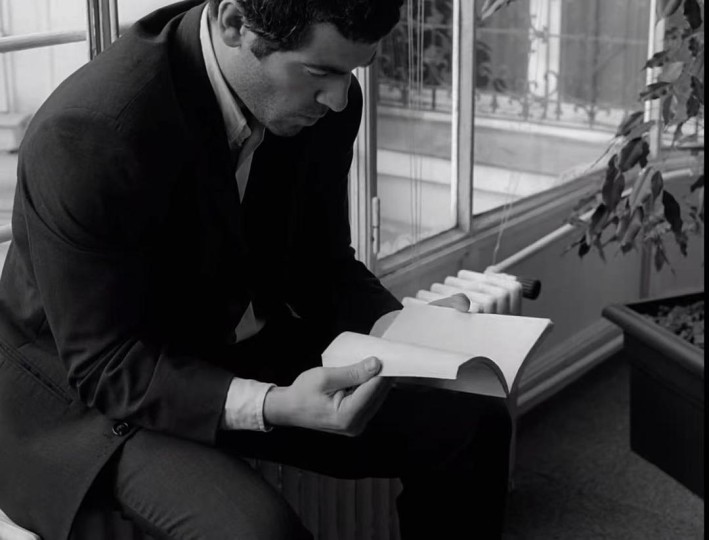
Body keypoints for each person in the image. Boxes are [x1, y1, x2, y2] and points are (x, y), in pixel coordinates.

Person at [0, 0, 512, 538]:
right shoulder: (90, 132)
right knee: (260, 533)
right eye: (320, 72)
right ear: (233, 24)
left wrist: (405, 330)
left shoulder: (328, 102)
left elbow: (319, 263)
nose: (339, 98)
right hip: (86, 391)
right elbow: (105, 364)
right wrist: (274, 405)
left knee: (471, 423)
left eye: (354, 71)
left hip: (223, 340)